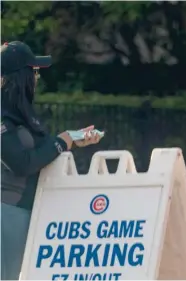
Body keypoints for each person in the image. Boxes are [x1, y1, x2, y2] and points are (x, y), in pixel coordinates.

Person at [1, 41, 102, 280]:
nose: (37, 79)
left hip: (25, 212)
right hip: (8, 213)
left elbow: (43, 150)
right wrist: (63, 141)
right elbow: (22, 163)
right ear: (20, 77)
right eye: (34, 72)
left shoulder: (20, 113)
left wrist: (72, 140)